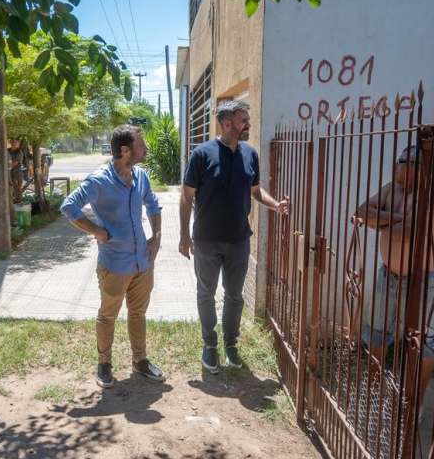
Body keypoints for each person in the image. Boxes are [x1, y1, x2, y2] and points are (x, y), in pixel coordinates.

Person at [179, 100, 289, 374]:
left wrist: (275, 205)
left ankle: (230, 344)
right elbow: (186, 197)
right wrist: (183, 234)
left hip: (239, 240)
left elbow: (255, 191)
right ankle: (209, 345)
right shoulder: (202, 155)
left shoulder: (250, 154)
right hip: (206, 239)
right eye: (244, 121)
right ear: (227, 123)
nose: (248, 125)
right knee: (206, 293)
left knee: (235, 295)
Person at [61, 125, 164, 388]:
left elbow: (153, 204)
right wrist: (96, 231)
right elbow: (68, 206)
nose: (146, 149)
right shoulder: (98, 181)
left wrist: (157, 236)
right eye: (141, 145)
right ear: (125, 150)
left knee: (138, 312)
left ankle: (140, 361)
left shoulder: (141, 176)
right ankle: (104, 364)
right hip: (115, 264)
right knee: (108, 315)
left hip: (142, 260)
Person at [354, 146, 434, 396]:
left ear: (420, 168)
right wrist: (398, 218)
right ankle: (373, 394)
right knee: (376, 334)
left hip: (424, 280)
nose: (397, 165)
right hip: (390, 275)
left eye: (403, 161)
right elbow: (361, 212)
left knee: (423, 344)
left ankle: (412, 405)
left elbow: (409, 233)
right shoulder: (391, 188)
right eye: (399, 160)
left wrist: (380, 222)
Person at [8, 138, 24, 204]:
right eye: (12, 142)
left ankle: (18, 202)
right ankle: (12, 201)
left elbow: (15, 163)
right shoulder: (7, 151)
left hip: (17, 172)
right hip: (9, 172)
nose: (13, 144)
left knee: (17, 188)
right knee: (10, 187)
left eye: (15, 142)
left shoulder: (19, 152)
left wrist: (7, 168)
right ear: (10, 142)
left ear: (18, 144)